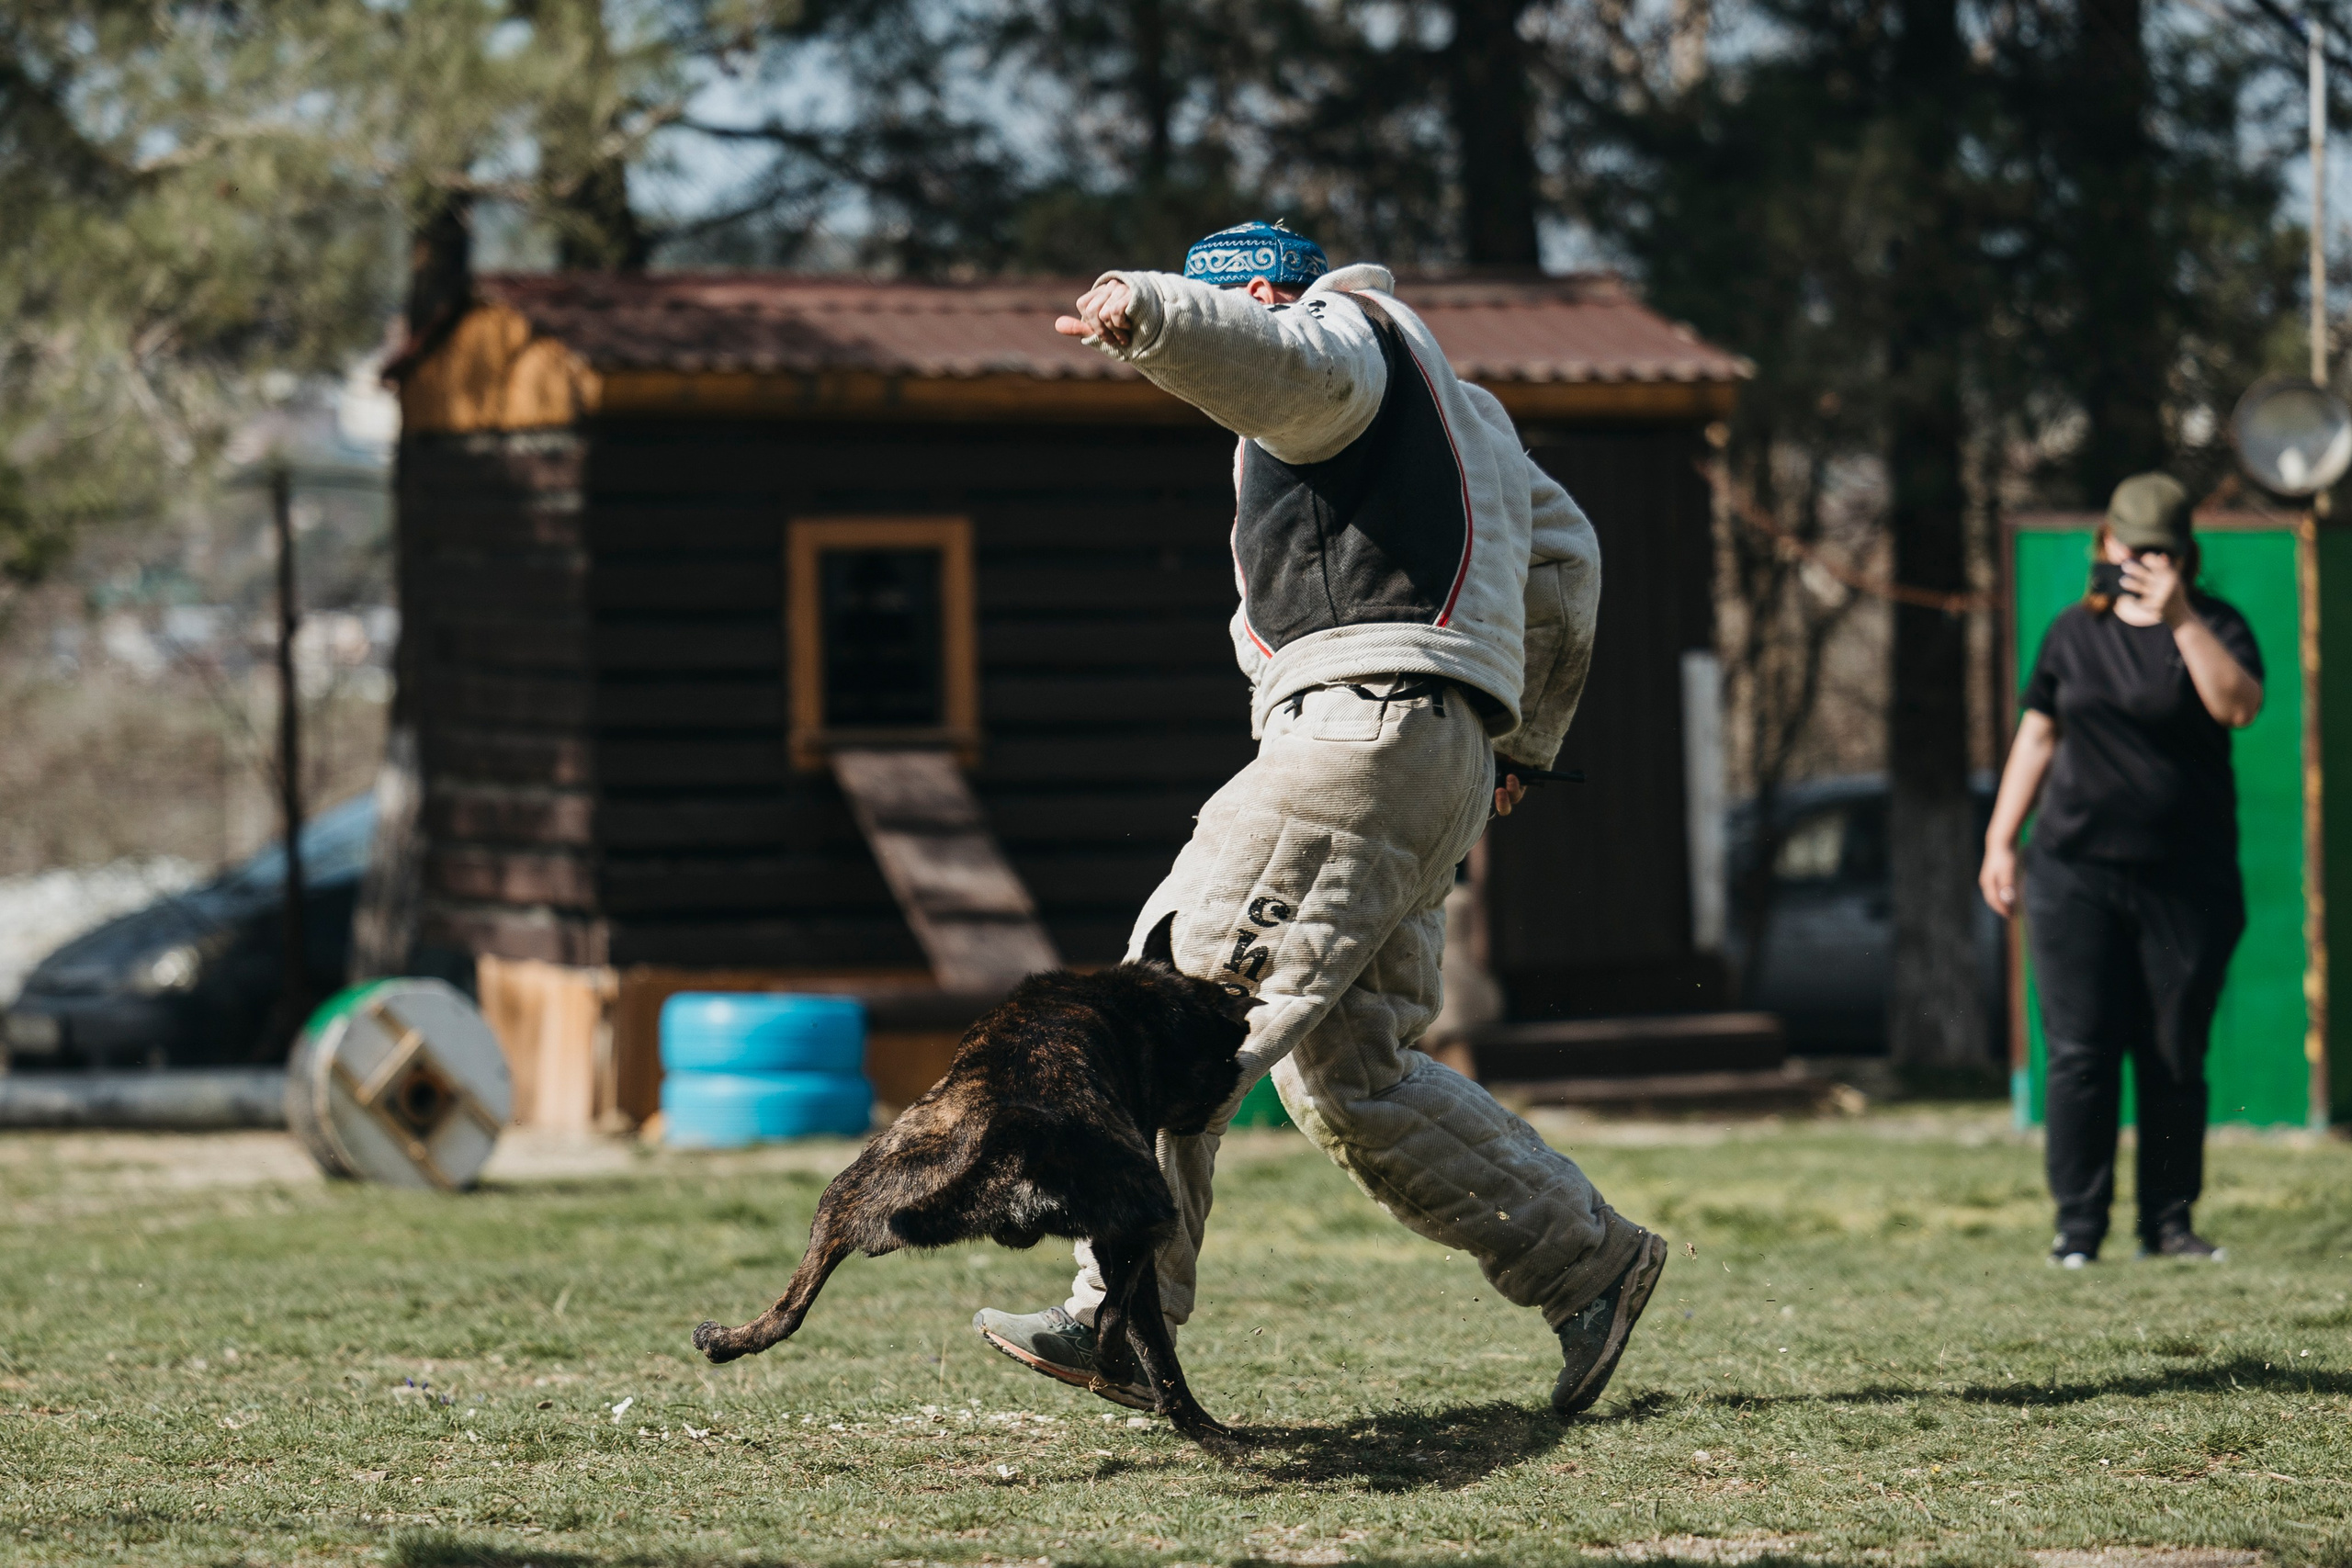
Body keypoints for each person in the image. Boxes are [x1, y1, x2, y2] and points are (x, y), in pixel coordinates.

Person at [969, 220, 1667, 1418]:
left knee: (1168, 994)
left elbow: (1296, 368)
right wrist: (1523, 741)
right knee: (1357, 1078)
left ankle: (1119, 1317)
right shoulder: (1466, 414)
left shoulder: (1341, 337)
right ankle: (1586, 1261)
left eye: (1224, 305)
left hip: (1361, 725)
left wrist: (1151, 313)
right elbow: (1567, 562)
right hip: (1435, 746)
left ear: (1257, 294)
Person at [1979, 472, 2264, 1268]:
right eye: (2128, 546)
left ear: (2185, 556)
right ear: (2104, 544)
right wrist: (2002, 840)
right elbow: (2037, 736)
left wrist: (2179, 619)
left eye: (2158, 551)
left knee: (2174, 1052)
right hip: (2075, 874)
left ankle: (2169, 1224)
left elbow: (2237, 705)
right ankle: (2078, 1228)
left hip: (2186, 880)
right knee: (2079, 1051)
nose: (2140, 561)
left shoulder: (2218, 625)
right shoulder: (2073, 632)